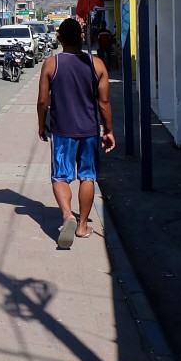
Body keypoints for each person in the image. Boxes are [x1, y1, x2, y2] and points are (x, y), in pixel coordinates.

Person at [37, 18, 115, 249]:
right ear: (82, 37)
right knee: (88, 176)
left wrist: (41, 125)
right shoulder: (97, 64)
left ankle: (67, 215)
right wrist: (108, 130)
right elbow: (104, 102)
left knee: (61, 176)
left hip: (62, 131)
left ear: (59, 39)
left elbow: (43, 101)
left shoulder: (52, 64)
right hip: (89, 131)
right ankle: (82, 226)